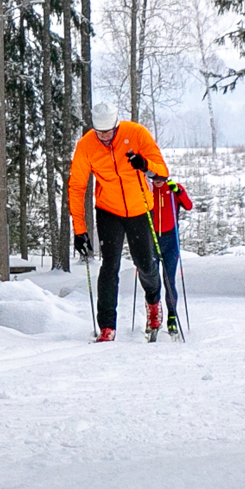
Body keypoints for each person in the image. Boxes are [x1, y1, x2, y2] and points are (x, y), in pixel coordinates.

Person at [68, 101, 170, 341]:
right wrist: (79, 231)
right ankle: (106, 326)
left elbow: (162, 172)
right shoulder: (86, 145)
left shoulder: (136, 133)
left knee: (145, 264)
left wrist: (145, 166)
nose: (104, 137)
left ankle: (154, 304)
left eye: (108, 131)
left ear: (116, 124)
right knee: (109, 267)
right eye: (99, 131)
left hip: (140, 208)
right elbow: (76, 187)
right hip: (108, 211)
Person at [154, 176, 192, 338]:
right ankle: (153, 317)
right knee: (152, 282)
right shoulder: (147, 189)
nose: (157, 181)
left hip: (171, 241)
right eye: (153, 177)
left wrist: (179, 191)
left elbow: (188, 206)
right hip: (152, 239)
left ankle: (171, 317)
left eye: (160, 177)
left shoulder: (173, 188)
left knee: (169, 280)